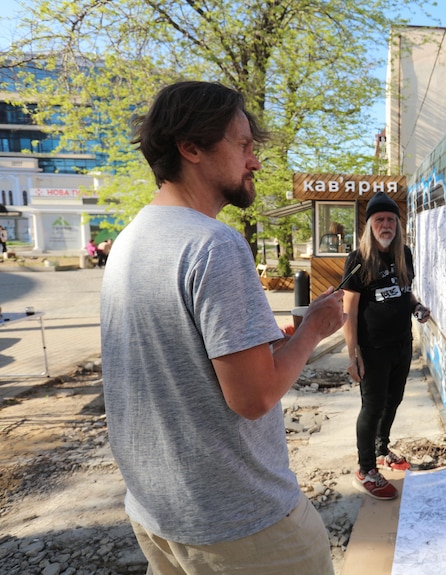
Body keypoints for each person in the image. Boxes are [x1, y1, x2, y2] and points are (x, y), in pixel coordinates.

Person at [100, 81, 346, 574]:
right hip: (241, 528)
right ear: (190, 148)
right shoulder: (214, 244)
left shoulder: (131, 238)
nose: (254, 161)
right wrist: (313, 329)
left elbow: (175, 356)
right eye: (243, 145)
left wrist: (256, 341)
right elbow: (253, 399)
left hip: (159, 513)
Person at [342, 191, 431, 500]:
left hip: (401, 345)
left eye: (391, 219)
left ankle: (381, 451)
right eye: (379, 219)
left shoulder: (403, 254)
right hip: (373, 349)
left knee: (393, 401)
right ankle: (365, 470)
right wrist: (352, 354)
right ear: (370, 225)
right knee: (372, 407)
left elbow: (405, 293)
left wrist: (417, 308)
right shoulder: (358, 260)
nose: (386, 224)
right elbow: (349, 310)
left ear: (397, 224)